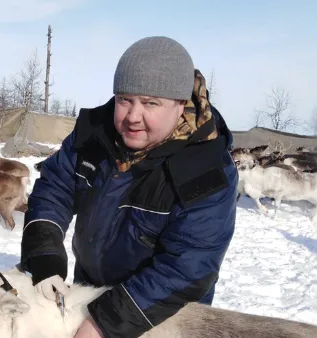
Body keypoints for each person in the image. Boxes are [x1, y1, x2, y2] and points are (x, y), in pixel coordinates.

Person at [20, 36, 238, 338]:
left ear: (179, 105)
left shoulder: (207, 170)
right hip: (90, 293)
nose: (133, 116)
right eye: (125, 99)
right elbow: (56, 185)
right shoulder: (94, 134)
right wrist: (45, 250)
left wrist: (103, 323)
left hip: (160, 315)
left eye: (150, 103)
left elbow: (187, 269)